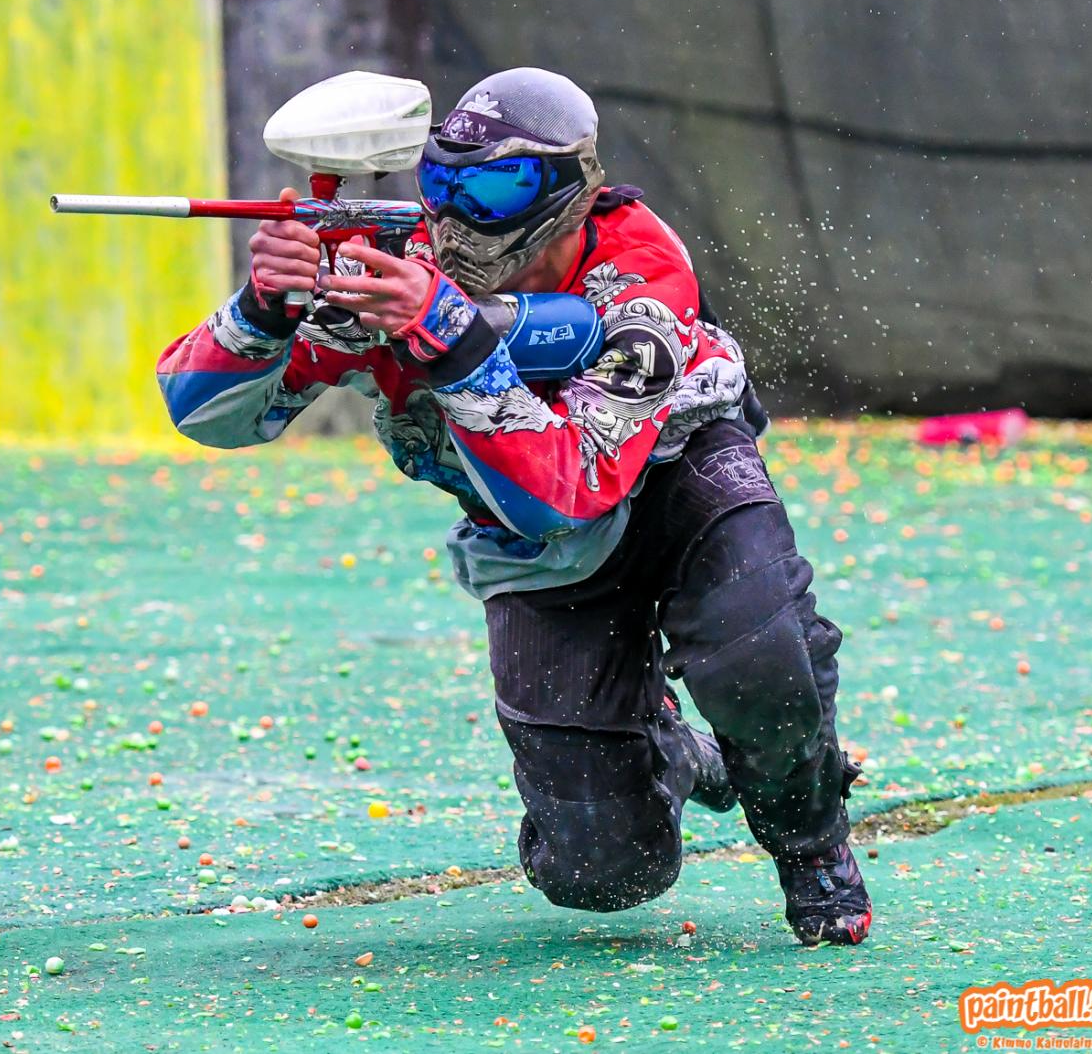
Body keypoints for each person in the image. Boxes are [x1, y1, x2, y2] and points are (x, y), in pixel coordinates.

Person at [157, 67, 871, 946]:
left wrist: (449, 338)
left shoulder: (638, 271)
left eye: (496, 189)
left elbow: (569, 485)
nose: (459, 218)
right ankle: (672, 747)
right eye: (443, 183)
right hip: (540, 549)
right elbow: (204, 413)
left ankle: (811, 842)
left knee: (758, 650)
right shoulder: (395, 273)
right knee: (601, 870)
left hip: (678, 478)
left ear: (573, 191)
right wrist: (265, 310)